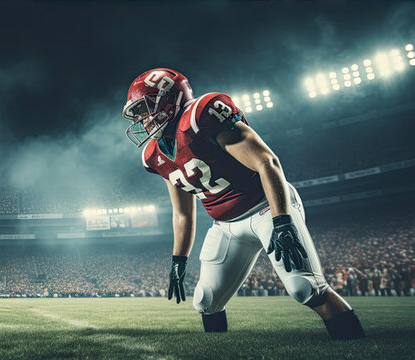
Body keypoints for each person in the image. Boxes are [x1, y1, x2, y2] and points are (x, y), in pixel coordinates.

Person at [122, 68, 364, 339]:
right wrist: (178, 260)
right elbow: (182, 214)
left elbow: (266, 162)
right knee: (205, 300)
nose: (142, 119)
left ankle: (358, 346)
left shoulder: (201, 116)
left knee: (304, 288)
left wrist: (281, 220)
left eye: (144, 109)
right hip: (225, 225)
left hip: (265, 207)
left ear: (168, 98)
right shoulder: (154, 154)